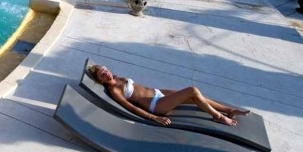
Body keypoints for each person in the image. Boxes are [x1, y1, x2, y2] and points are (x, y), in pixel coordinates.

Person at [86, 64, 249, 126]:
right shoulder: (114, 90)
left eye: (105, 70)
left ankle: (229, 110)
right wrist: (154, 117)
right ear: (100, 80)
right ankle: (218, 116)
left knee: (195, 97)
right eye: (102, 75)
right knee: (192, 90)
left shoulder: (116, 77)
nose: (106, 73)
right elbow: (131, 107)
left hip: (159, 93)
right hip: (155, 105)